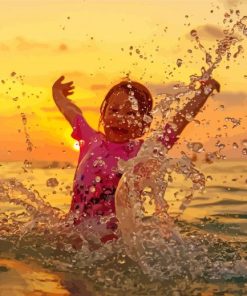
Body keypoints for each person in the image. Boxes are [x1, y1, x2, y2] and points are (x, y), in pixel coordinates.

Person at [52, 76, 220, 243]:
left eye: (131, 113)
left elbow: (179, 121)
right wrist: (57, 93)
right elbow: (71, 111)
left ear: (144, 123)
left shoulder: (144, 151)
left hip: (114, 242)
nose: (120, 118)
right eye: (114, 110)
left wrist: (203, 93)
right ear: (103, 114)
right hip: (75, 233)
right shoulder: (90, 141)